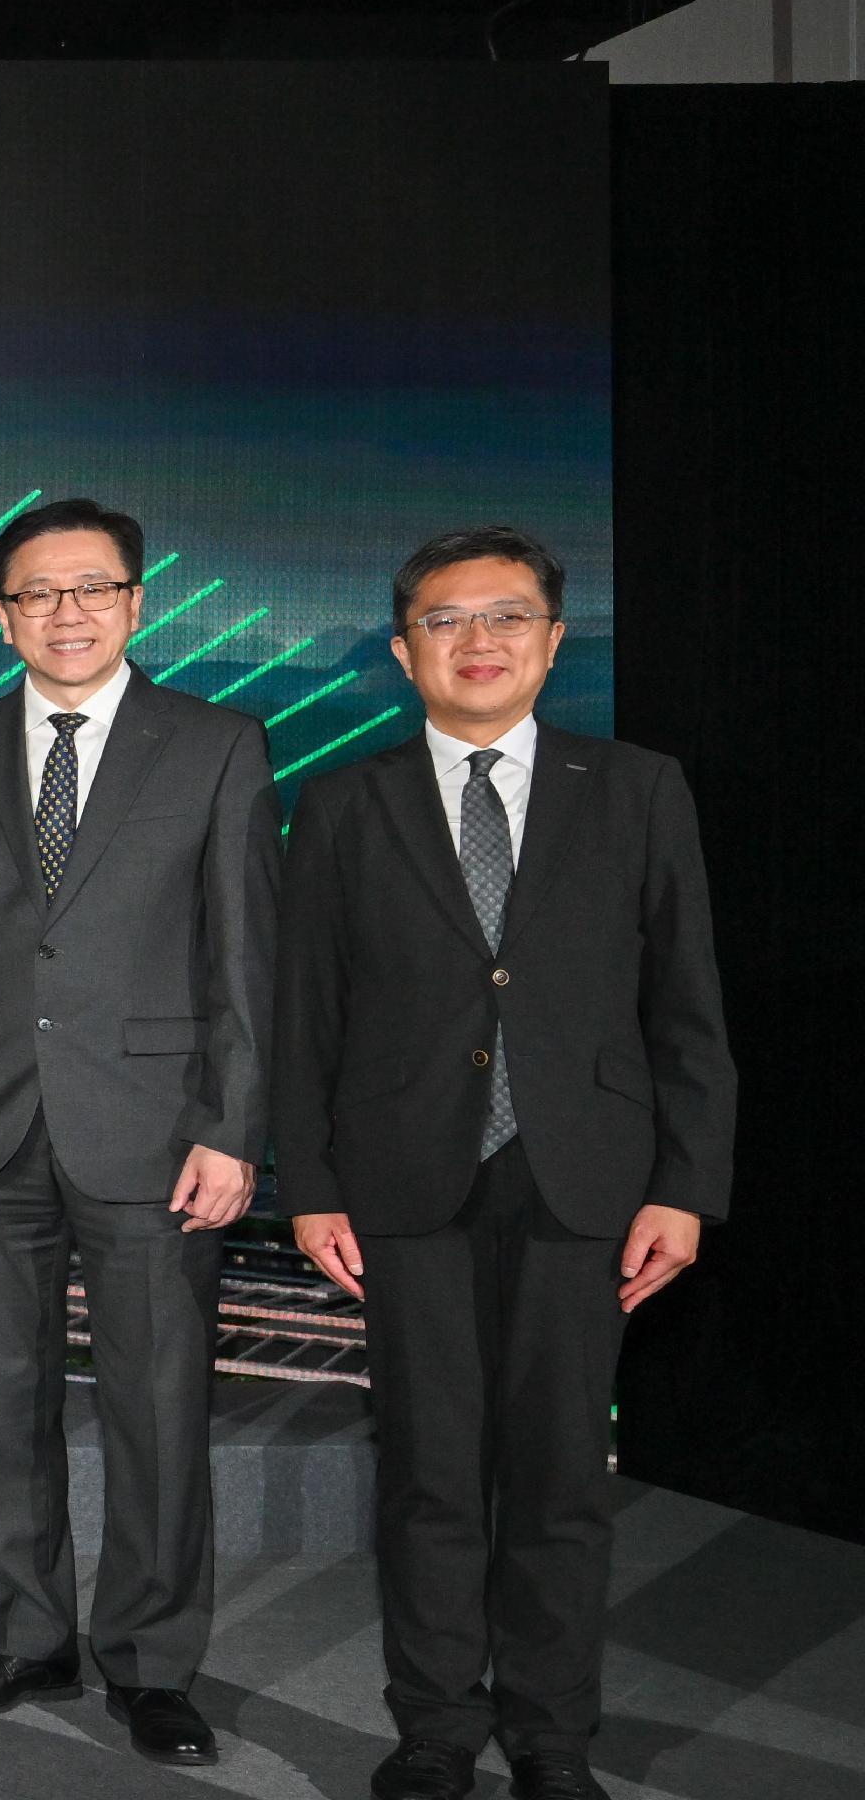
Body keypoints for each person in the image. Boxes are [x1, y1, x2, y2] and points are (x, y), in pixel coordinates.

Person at [274, 527, 732, 1800]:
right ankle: (431, 1733)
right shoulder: (344, 801)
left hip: (584, 1181)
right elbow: (306, 1011)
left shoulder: (638, 788)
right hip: (402, 1184)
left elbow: (687, 1010)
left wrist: (685, 1187)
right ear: (401, 648)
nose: (476, 643)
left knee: (558, 1485)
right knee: (425, 1477)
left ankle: (551, 1740)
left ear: (550, 638)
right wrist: (307, 1183)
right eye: (445, 621)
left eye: (505, 618)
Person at [0, 500, 276, 1765]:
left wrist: (231, 1129)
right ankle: (18, 1637)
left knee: (158, 1409)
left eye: (90, 589)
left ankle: (154, 1661)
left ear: (133, 601)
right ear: (0, 614)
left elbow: (243, 952)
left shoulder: (216, 744)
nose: (64, 614)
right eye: (35, 594)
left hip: (158, 1134)